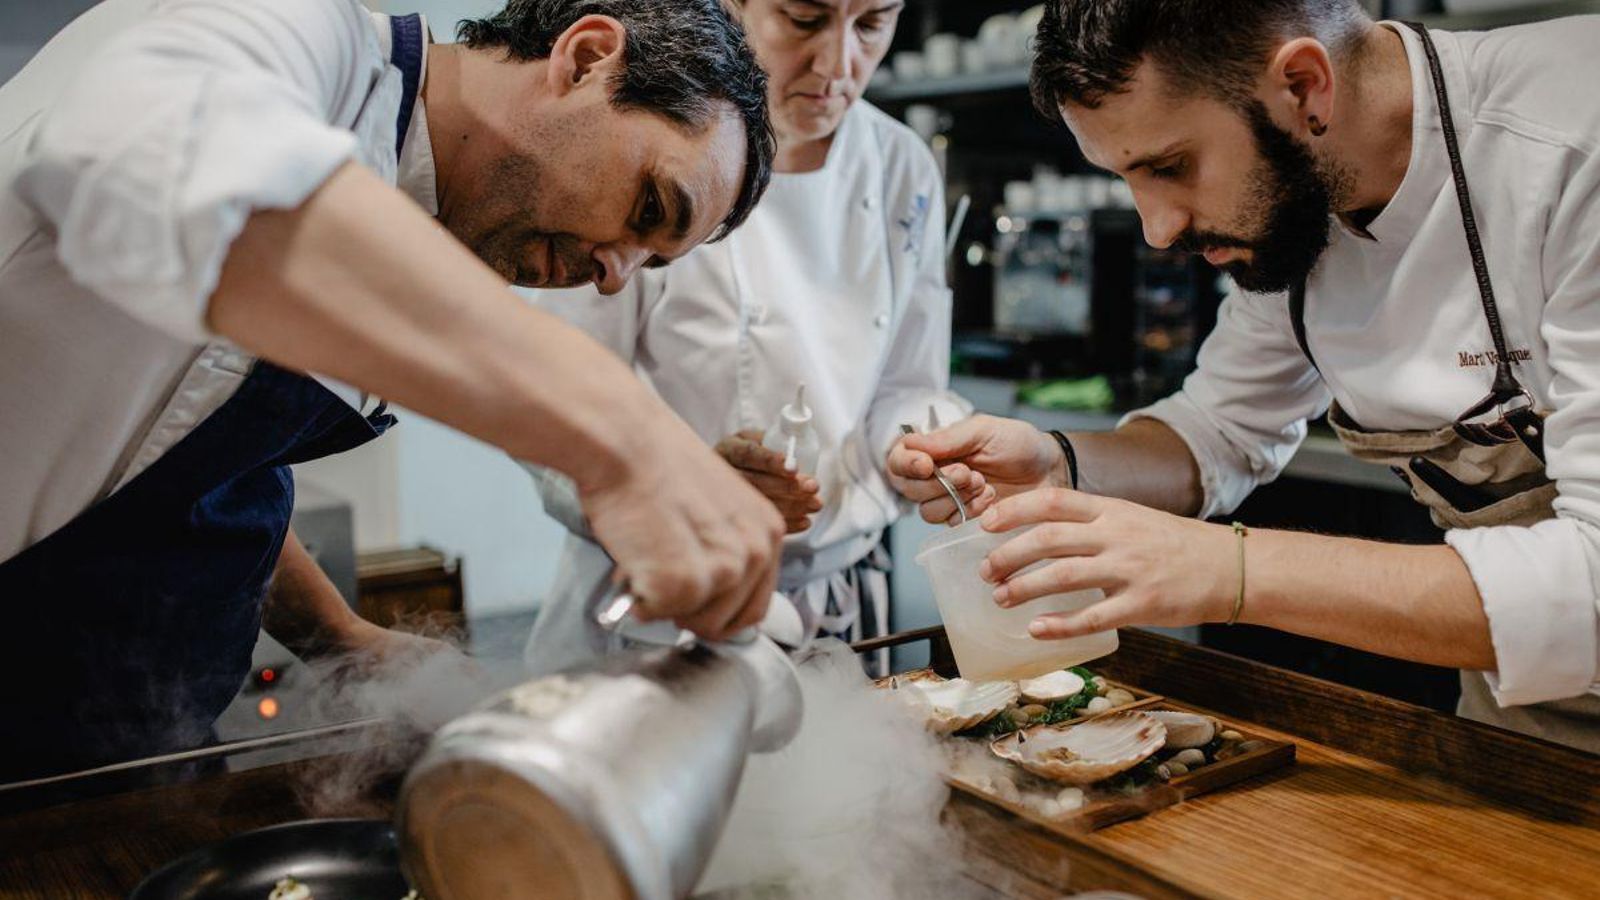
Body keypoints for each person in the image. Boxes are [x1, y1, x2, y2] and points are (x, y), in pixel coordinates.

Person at [0, 0, 783, 778]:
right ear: (584, 58)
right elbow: (139, 154)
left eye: (652, 260)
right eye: (648, 207)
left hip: (128, 749)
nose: (615, 278)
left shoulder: (418, 231)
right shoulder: (302, 35)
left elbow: (192, 464)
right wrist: (618, 431)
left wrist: (336, 636)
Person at [890, 1, 1600, 752]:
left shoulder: (1572, 140)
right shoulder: (1300, 197)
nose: (1157, 229)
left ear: (1302, 86)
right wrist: (1060, 463)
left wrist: (1229, 569)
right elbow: (1216, 432)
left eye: (1170, 166)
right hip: (1522, 717)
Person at [522, 0, 973, 675]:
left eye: (872, 24)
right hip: (668, 600)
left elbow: (904, 384)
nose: (839, 64)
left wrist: (925, 448)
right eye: (803, 19)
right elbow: (553, 412)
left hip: (844, 599)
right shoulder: (655, 145)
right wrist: (685, 487)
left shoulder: (900, 164)